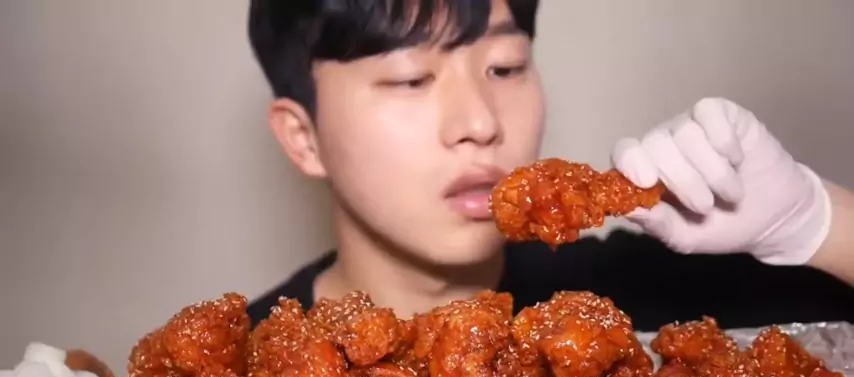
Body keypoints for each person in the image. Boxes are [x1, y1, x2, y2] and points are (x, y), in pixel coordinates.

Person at [245, 0, 854, 331]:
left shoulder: (635, 298)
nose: (479, 122)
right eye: (410, 79)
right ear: (304, 139)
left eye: (505, 67)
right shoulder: (238, 369)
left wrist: (816, 222)